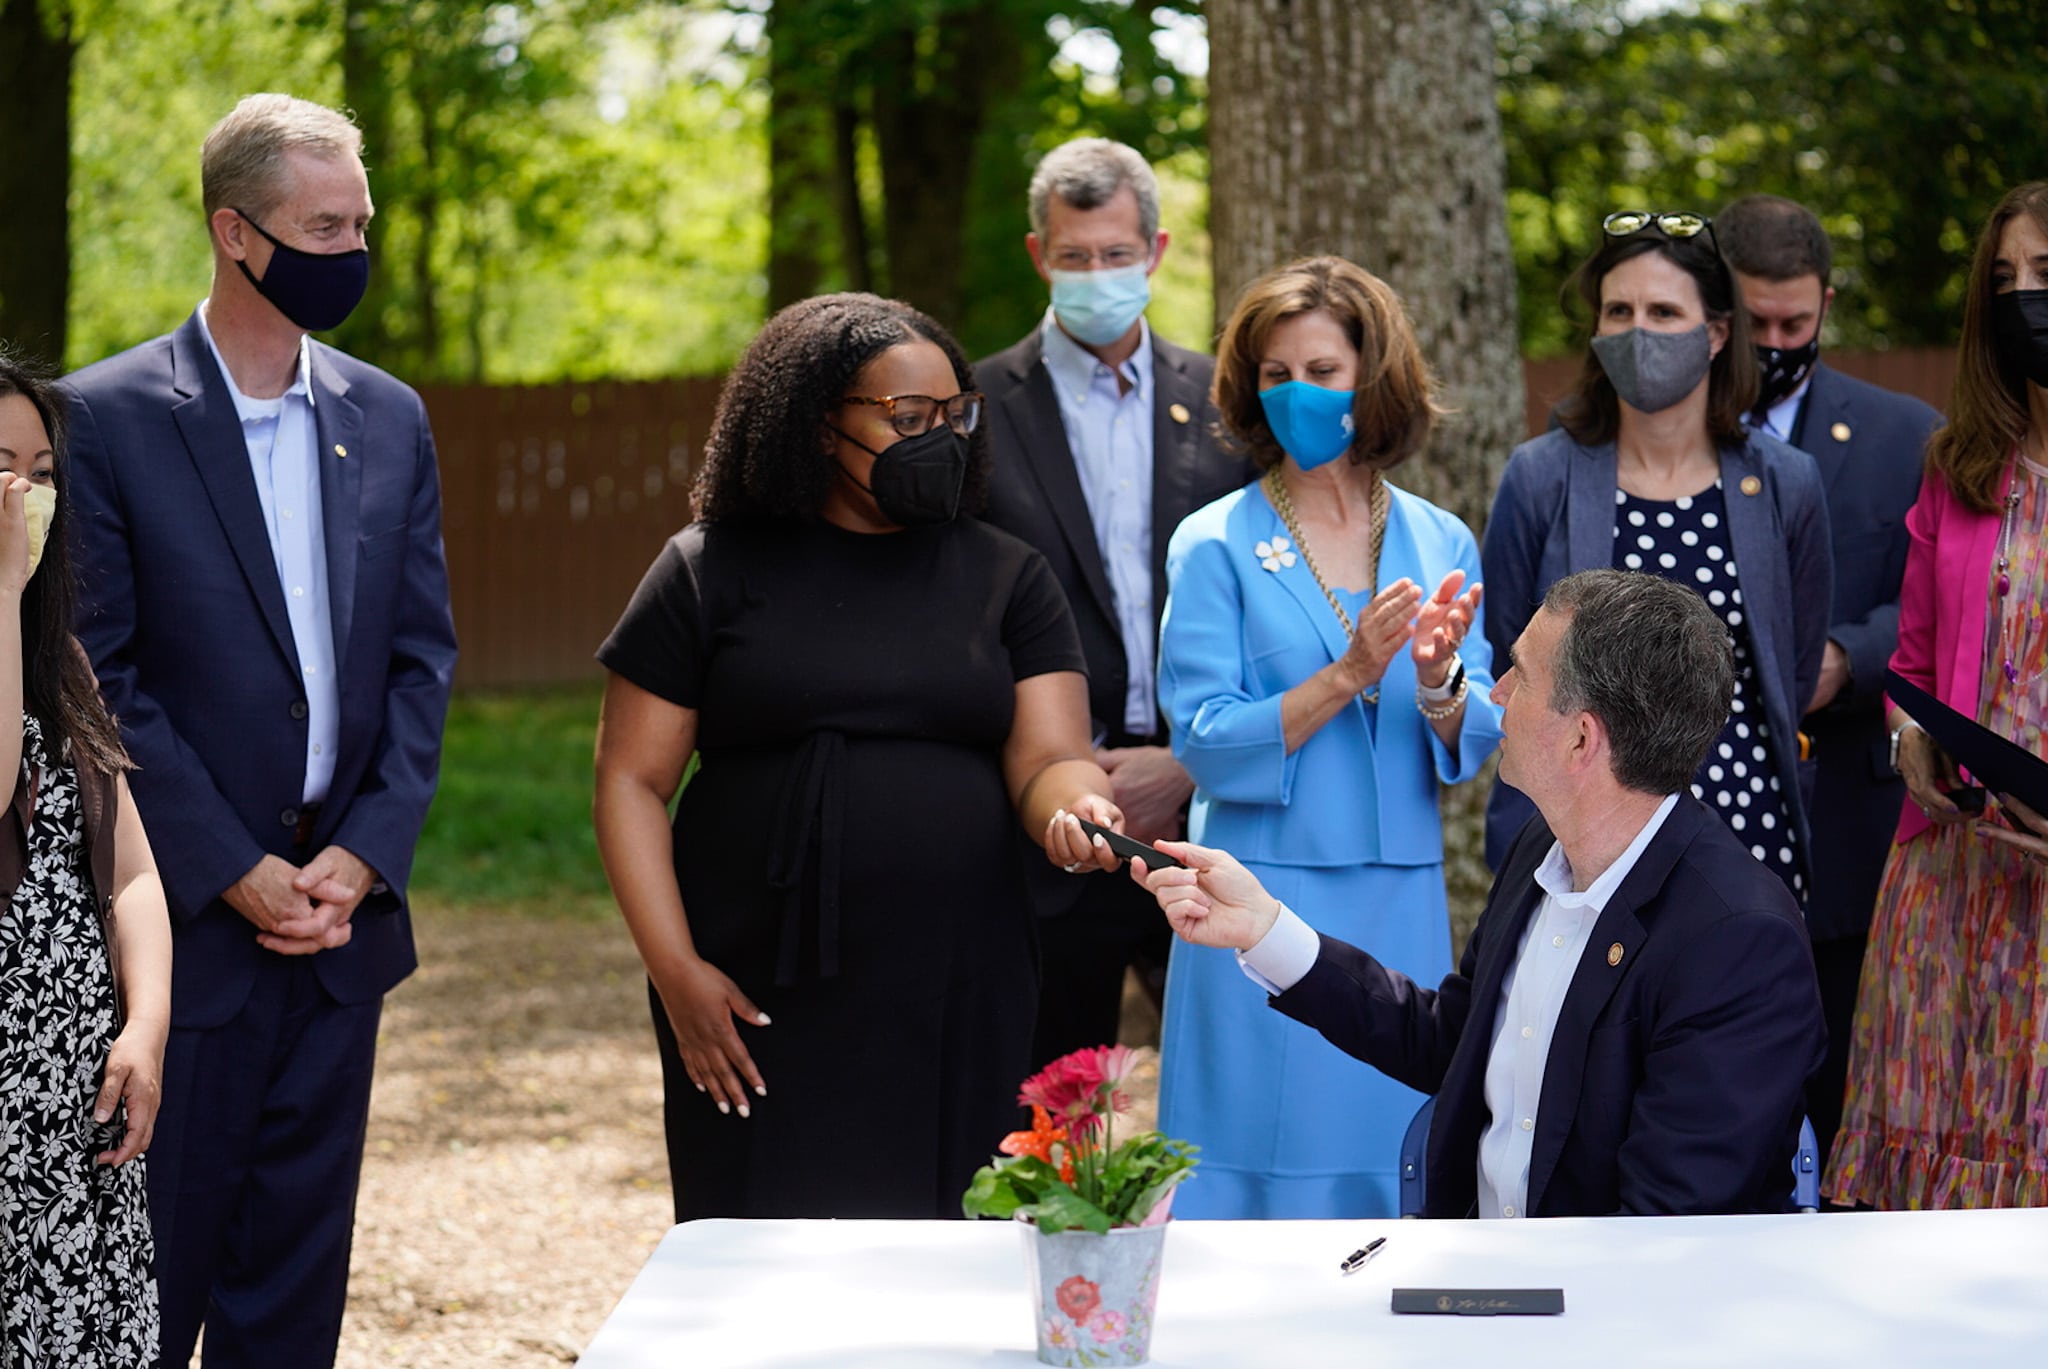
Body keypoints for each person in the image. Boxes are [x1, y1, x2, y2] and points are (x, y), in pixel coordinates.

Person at [59, 95, 458, 1366]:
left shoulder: (387, 415)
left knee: (292, 1300)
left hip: (342, 938)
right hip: (179, 940)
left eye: (361, 222)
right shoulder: (106, 419)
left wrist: (366, 852)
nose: (351, 249)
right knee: (146, 1285)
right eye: (321, 225)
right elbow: (97, 675)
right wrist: (229, 867)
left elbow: (421, 656)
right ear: (236, 233)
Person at [594, 292, 1125, 1222]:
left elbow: (1051, 756)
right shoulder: (707, 567)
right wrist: (676, 971)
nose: (942, 438)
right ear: (815, 423)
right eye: (907, 418)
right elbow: (631, 781)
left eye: (956, 416)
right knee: (764, 1237)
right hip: (754, 988)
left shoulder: (1007, 574)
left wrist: (1073, 809)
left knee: (954, 1233)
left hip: (963, 977)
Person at [1136, 570, 1827, 1219]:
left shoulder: (1739, 939)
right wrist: (1265, 928)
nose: (1494, 692)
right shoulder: (1542, 846)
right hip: (1478, 1282)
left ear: (1582, 738)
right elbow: (1451, 1042)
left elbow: (1663, 1228)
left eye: (1518, 674)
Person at [1149, 255, 1501, 1219]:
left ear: (1372, 379)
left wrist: (1435, 679)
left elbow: (1480, 738)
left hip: (1400, 900)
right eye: (1274, 374)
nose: (1294, 392)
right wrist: (1346, 673)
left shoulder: (1442, 540)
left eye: (1321, 371)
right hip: (1255, 894)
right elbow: (1206, 740)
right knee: (1254, 1177)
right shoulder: (1213, 540)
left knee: (1392, 1158)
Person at [976, 138, 1254, 1064]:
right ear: (1038, 256)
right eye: (1075, 256)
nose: (1097, 274)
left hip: (1205, 811)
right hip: (1047, 821)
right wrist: (1062, 768)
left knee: (1232, 1090)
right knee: (1055, 1109)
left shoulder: (1226, 403)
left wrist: (1188, 761)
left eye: (1116, 255)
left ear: (1158, 251)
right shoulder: (973, 409)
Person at [1482, 210, 1832, 903]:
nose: (1638, 329)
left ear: (1716, 333)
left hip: (1745, 837)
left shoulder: (1787, 483)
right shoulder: (1540, 477)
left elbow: (1790, 672)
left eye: (1664, 310)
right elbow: (1509, 664)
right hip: (1580, 850)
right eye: (1619, 309)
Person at [1827, 182, 2048, 1210]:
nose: (2020, 300)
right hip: (1949, 868)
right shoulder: (1956, 466)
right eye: (2002, 280)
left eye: (2042, 275)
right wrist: (1910, 735)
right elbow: (1911, 661)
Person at [1717, 194, 1944, 1168]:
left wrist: (1849, 658)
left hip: (1850, 848)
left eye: (1794, 325)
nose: (1775, 344)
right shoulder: (1645, 434)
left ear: (1825, 305)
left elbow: (1937, 602)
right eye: (1754, 324)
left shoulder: (1904, 435)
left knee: (1851, 1124)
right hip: (1695, 832)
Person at [0, 351, 172, 1365]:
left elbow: (133, 869)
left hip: (75, 1116)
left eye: (41, 469)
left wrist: (145, 1023)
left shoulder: (54, 654)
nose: (22, 491)